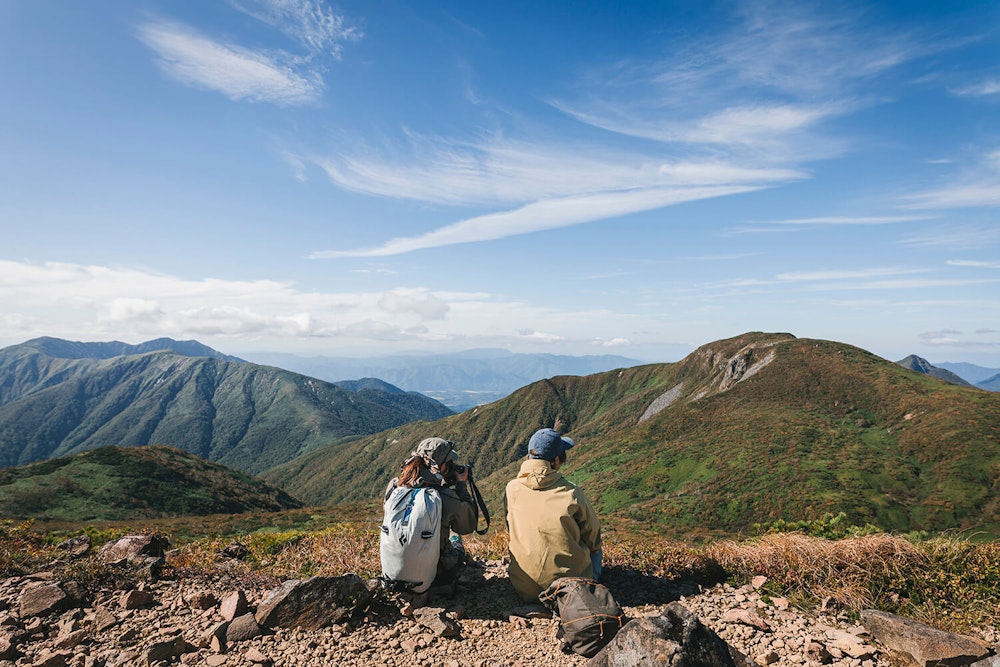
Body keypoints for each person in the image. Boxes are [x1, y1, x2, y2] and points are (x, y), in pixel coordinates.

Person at [505, 426, 603, 602]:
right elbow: (593, 537)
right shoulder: (571, 491)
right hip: (570, 590)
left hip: (524, 587)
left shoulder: (511, 488)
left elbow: (510, 527)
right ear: (556, 460)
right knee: (596, 549)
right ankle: (588, 585)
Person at [384, 437, 477, 599]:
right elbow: (467, 526)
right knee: (456, 538)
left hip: (393, 575)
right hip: (437, 578)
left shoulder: (394, 486)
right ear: (441, 466)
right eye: (449, 463)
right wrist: (461, 486)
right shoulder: (443, 497)